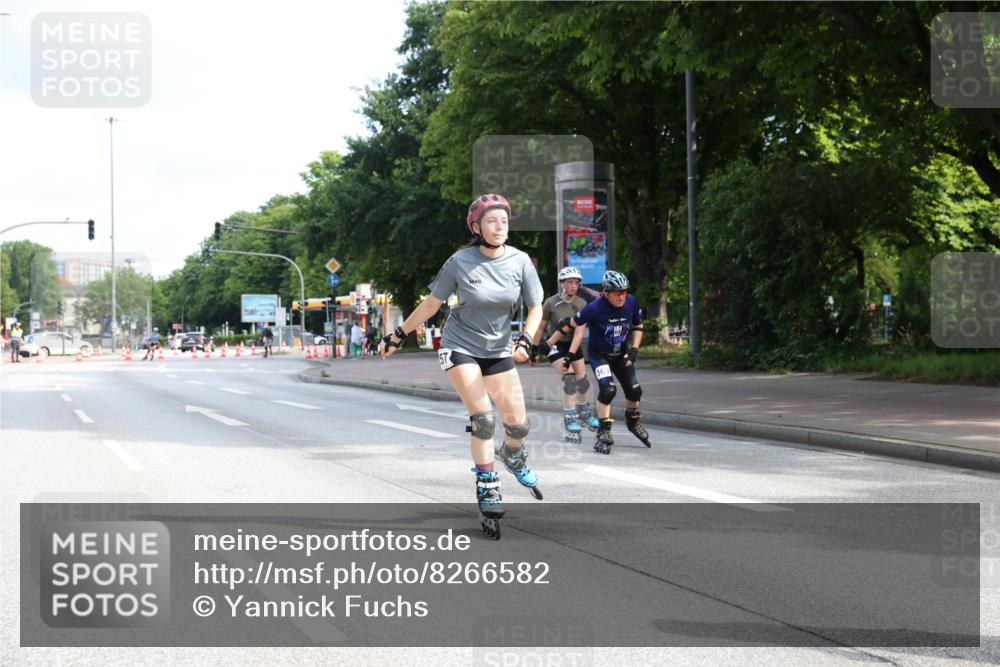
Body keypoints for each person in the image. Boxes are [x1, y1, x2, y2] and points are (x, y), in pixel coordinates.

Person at [380, 193, 544, 533]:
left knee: (518, 425)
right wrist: (397, 334)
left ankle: (512, 455)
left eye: (504, 221)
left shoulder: (520, 262)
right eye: (491, 222)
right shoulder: (460, 262)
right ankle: (488, 485)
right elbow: (430, 304)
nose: (499, 227)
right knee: (483, 418)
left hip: (499, 350)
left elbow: (536, 307)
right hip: (459, 345)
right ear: (476, 226)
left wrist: (526, 339)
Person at [558, 270, 650, 454]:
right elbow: (572, 324)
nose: (622, 296)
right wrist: (549, 344)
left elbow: (638, 326)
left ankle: (633, 422)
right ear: (606, 293)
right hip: (599, 355)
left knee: (635, 390)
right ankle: (604, 430)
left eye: (624, 291)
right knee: (608, 390)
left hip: (621, 354)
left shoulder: (631, 302)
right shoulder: (594, 308)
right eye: (617, 292)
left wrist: (634, 349)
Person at [531, 266, 599, 442]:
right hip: (554, 345)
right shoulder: (550, 303)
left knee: (582, 382)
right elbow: (540, 327)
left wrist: (571, 354)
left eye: (577, 282)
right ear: (562, 283)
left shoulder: (582, 304)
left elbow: (579, 333)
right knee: (569, 380)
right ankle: (570, 418)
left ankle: (584, 412)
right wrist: (534, 350)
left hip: (573, 345)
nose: (574, 286)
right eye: (570, 282)